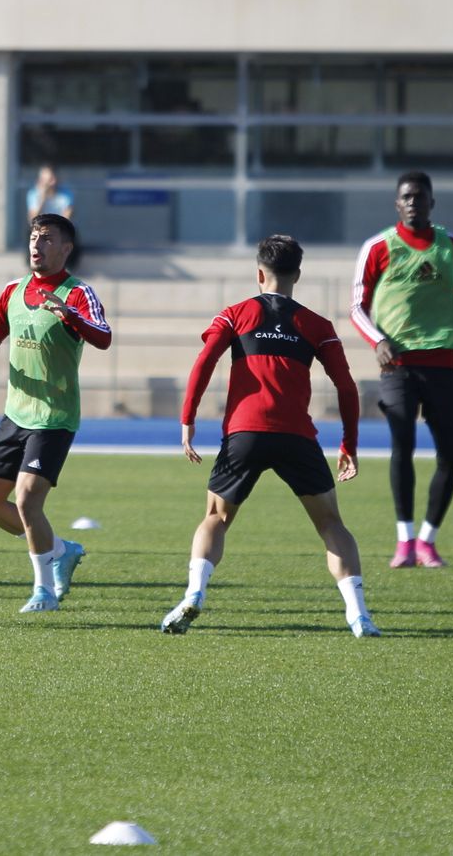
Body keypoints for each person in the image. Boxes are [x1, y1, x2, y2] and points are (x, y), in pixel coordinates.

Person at [162, 234, 380, 639]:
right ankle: (359, 615)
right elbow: (347, 388)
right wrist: (349, 442)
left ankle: (194, 594)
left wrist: (187, 418)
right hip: (297, 435)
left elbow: (204, 362)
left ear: (259, 273)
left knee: (216, 517)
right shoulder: (317, 325)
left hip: (244, 433)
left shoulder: (235, 314)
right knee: (331, 523)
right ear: (298, 274)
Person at [0, 213, 111, 613]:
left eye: (47, 238)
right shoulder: (13, 290)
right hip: (15, 415)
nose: (37, 245)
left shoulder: (79, 293)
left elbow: (103, 336)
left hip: (54, 418)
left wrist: (68, 313)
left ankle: (44, 591)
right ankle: (62, 550)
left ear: (66, 248)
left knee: (29, 500)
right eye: (34, 237)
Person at [351, 171, 453, 569]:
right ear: (397, 204)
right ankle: (404, 539)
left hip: (443, 365)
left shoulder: (451, 247)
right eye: (406, 197)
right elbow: (356, 307)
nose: (413, 202)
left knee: (450, 451)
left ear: (432, 202)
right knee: (404, 443)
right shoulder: (378, 247)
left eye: (420, 196)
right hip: (397, 365)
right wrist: (377, 341)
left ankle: (427, 540)